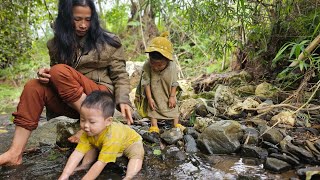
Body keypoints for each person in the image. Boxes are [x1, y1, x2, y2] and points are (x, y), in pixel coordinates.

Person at [0, 0, 133, 166]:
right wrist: (46, 75)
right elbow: (58, 78)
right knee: (33, 86)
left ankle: (87, 124)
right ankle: (15, 153)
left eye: (88, 19)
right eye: (77, 19)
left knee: (58, 70)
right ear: (65, 18)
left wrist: (123, 100)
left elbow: (120, 74)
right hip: (71, 101)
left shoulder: (110, 42)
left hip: (100, 98)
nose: (83, 25)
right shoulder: (55, 45)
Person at [59, 91, 144, 180]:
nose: (86, 125)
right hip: (101, 141)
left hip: (130, 143)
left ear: (108, 121)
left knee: (136, 155)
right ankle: (84, 166)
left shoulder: (111, 137)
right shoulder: (88, 131)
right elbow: (77, 153)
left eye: (92, 122)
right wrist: (65, 174)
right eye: (83, 120)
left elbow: (100, 163)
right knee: (90, 144)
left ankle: (129, 176)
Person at [139, 32, 185, 134]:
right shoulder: (147, 65)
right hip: (153, 92)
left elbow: (174, 83)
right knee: (153, 108)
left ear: (167, 61)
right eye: (152, 63)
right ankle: (154, 125)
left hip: (168, 92)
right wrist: (150, 98)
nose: (155, 67)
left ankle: (175, 123)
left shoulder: (172, 66)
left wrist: (172, 96)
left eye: (159, 65)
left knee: (173, 107)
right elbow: (145, 82)